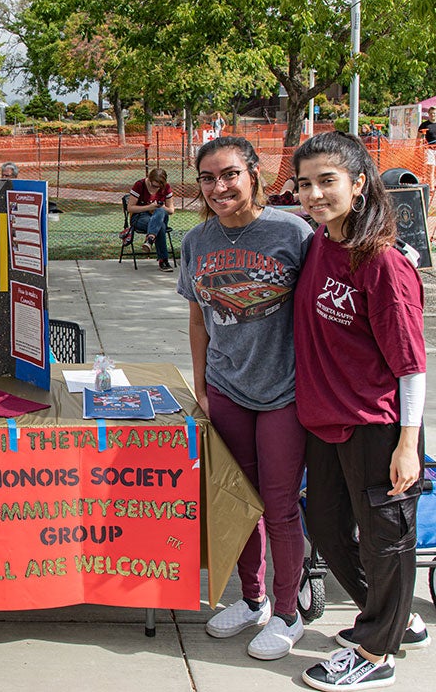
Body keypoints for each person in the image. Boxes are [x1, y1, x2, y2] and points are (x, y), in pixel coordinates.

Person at [293, 132, 428, 691]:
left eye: (328, 180)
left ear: (358, 183)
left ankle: (377, 652)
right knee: (325, 525)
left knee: (385, 537)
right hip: (325, 420)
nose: (315, 193)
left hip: (378, 427)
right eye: (305, 183)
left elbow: (411, 364)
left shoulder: (383, 265)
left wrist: (407, 442)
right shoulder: (321, 242)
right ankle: (395, 614)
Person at [177, 136, 313, 661]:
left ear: (254, 173)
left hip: (284, 392)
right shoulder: (196, 242)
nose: (218, 187)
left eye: (229, 174)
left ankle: (286, 613)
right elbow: (197, 318)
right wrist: (202, 386)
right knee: (239, 502)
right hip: (227, 388)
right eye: (207, 178)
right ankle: (252, 600)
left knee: (279, 506)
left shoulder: (292, 233)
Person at [127, 167, 176, 272]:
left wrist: (160, 207)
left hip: (159, 215)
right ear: (149, 179)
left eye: (158, 187)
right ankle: (163, 261)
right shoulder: (139, 185)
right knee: (161, 227)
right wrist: (149, 207)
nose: (155, 188)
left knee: (161, 212)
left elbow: (171, 210)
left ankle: (150, 239)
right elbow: (130, 208)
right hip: (140, 216)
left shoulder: (166, 188)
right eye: (153, 185)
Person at [417, 106, 436, 188]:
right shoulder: (424, 125)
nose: (433, 115)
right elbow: (418, 137)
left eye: (434, 113)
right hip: (430, 149)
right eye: (431, 113)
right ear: (428, 114)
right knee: (430, 168)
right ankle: (431, 187)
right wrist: (417, 147)